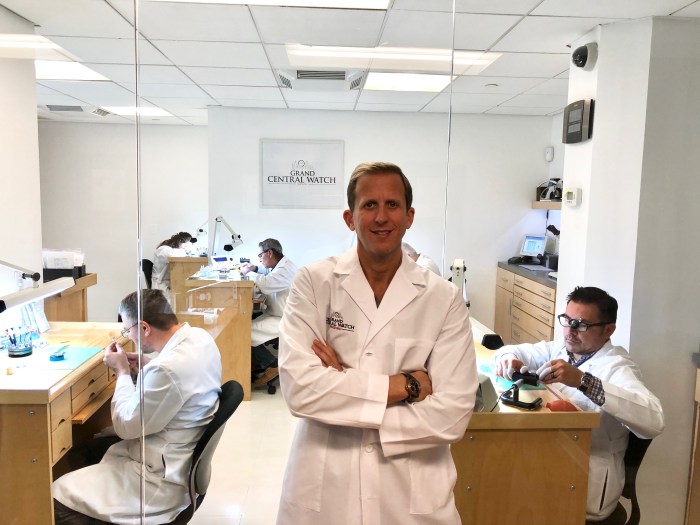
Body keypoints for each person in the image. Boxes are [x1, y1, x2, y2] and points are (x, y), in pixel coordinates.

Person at [276, 161, 478, 524]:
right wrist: (408, 385)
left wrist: (341, 389)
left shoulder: (443, 299)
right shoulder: (314, 283)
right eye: (369, 205)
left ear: (409, 215)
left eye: (392, 205)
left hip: (411, 493)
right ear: (350, 218)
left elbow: (453, 414)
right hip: (326, 486)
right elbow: (301, 390)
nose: (381, 216)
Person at [493, 286, 664, 522]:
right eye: (567, 320)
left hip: (587, 485)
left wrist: (584, 382)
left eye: (581, 325)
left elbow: (654, 420)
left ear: (608, 330)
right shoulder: (562, 349)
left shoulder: (617, 366)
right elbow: (513, 350)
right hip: (553, 461)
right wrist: (507, 359)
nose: (570, 331)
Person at [52, 289, 222, 525]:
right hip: (180, 459)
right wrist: (148, 366)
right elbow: (180, 380)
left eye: (127, 330)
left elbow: (126, 426)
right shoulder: (200, 338)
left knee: (55, 494)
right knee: (88, 450)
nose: (129, 337)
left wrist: (122, 373)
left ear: (144, 328)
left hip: (159, 481)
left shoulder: (166, 369)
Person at [240, 238, 297, 387]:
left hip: (285, 318)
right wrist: (254, 269)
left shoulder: (285, 269)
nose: (260, 259)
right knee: (246, 322)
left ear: (269, 253)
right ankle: (258, 363)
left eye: (260, 256)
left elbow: (266, 284)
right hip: (276, 313)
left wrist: (247, 272)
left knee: (243, 332)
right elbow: (267, 272)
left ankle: (271, 364)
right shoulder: (280, 265)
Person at [151, 231, 193, 297]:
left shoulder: (172, 249)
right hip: (161, 283)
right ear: (179, 241)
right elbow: (173, 254)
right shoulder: (163, 249)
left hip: (168, 281)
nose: (185, 247)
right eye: (184, 245)